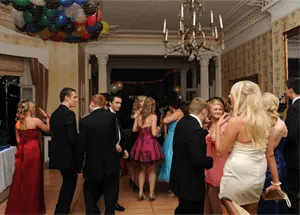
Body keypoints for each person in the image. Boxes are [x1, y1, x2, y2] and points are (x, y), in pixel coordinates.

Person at [216, 81, 281, 214]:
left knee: (228, 211)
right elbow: (270, 154)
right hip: (256, 174)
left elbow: (220, 151)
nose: (229, 96)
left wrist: (218, 126)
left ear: (240, 97)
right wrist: (276, 182)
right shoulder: (266, 121)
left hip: (237, 173)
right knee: (251, 212)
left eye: (232, 94)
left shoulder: (236, 122)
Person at [76, 94, 121, 215]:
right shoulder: (112, 117)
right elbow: (115, 138)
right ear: (105, 104)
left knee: (89, 189)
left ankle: (91, 212)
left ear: (92, 104)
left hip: (93, 162)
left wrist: (79, 165)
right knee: (110, 190)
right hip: (111, 161)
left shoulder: (84, 121)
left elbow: (81, 145)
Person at [5, 100, 50, 215]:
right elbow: (49, 130)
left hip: (22, 152)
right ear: (30, 109)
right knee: (34, 180)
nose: (34, 109)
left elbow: (18, 141)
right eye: (33, 108)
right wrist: (47, 118)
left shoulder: (18, 123)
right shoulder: (36, 121)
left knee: (21, 180)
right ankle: (32, 208)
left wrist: (22, 150)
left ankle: (19, 208)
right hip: (33, 152)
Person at [170, 97, 213, 215]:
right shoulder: (195, 129)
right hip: (190, 183)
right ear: (204, 111)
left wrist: (203, 130)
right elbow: (197, 160)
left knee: (182, 209)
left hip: (179, 177)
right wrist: (211, 161)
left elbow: (188, 142)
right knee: (193, 211)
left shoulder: (183, 121)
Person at [258, 92, 288, 214]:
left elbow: (268, 152)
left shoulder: (278, 126)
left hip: (275, 166)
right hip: (267, 164)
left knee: (272, 201)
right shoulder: (268, 123)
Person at [49, 87, 78, 214]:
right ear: (66, 98)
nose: (76, 100)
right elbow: (72, 138)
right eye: (74, 97)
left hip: (57, 155)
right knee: (69, 184)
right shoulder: (69, 114)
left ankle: (62, 209)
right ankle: (61, 211)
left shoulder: (55, 114)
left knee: (67, 183)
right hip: (68, 155)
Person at [130, 97, 164, 201]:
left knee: (142, 169)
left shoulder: (139, 116)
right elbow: (154, 133)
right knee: (152, 170)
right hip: (150, 145)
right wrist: (158, 129)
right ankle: (151, 193)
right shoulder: (153, 116)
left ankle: (140, 192)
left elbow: (134, 129)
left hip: (140, 144)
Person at [158, 101, 184, 197]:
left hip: (175, 137)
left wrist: (164, 117)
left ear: (171, 106)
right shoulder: (171, 113)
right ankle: (172, 185)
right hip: (169, 137)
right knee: (168, 159)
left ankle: (175, 186)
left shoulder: (179, 112)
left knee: (172, 159)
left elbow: (164, 121)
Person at [108, 94, 128, 211]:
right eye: (117, 103)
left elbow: (119, 133)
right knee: (111, 179)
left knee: (116, 179)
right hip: (110, 152)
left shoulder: (115, 115)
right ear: (110, 103)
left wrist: (123, 147)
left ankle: (114, 202)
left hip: (118, 151)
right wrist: (114, 144)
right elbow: (105, 134)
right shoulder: (107, 116)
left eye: (120, 103)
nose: (119, 105)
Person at [284, 77, 300, 215]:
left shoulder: (294, 108)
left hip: (295, 156)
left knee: (293, 191)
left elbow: (292, 133)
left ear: (291, 90)